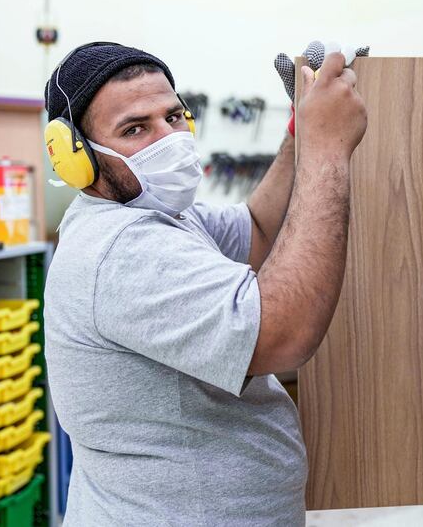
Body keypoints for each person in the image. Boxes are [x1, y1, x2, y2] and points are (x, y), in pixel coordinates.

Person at [43, 41, 367, 526]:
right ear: (76, 159)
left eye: (173, 117)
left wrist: (300, 136)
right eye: (135, 128)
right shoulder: (123, 249)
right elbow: (280, 335)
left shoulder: (161, 214)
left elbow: (257, 230)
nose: (168, 138)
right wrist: (327, 152)